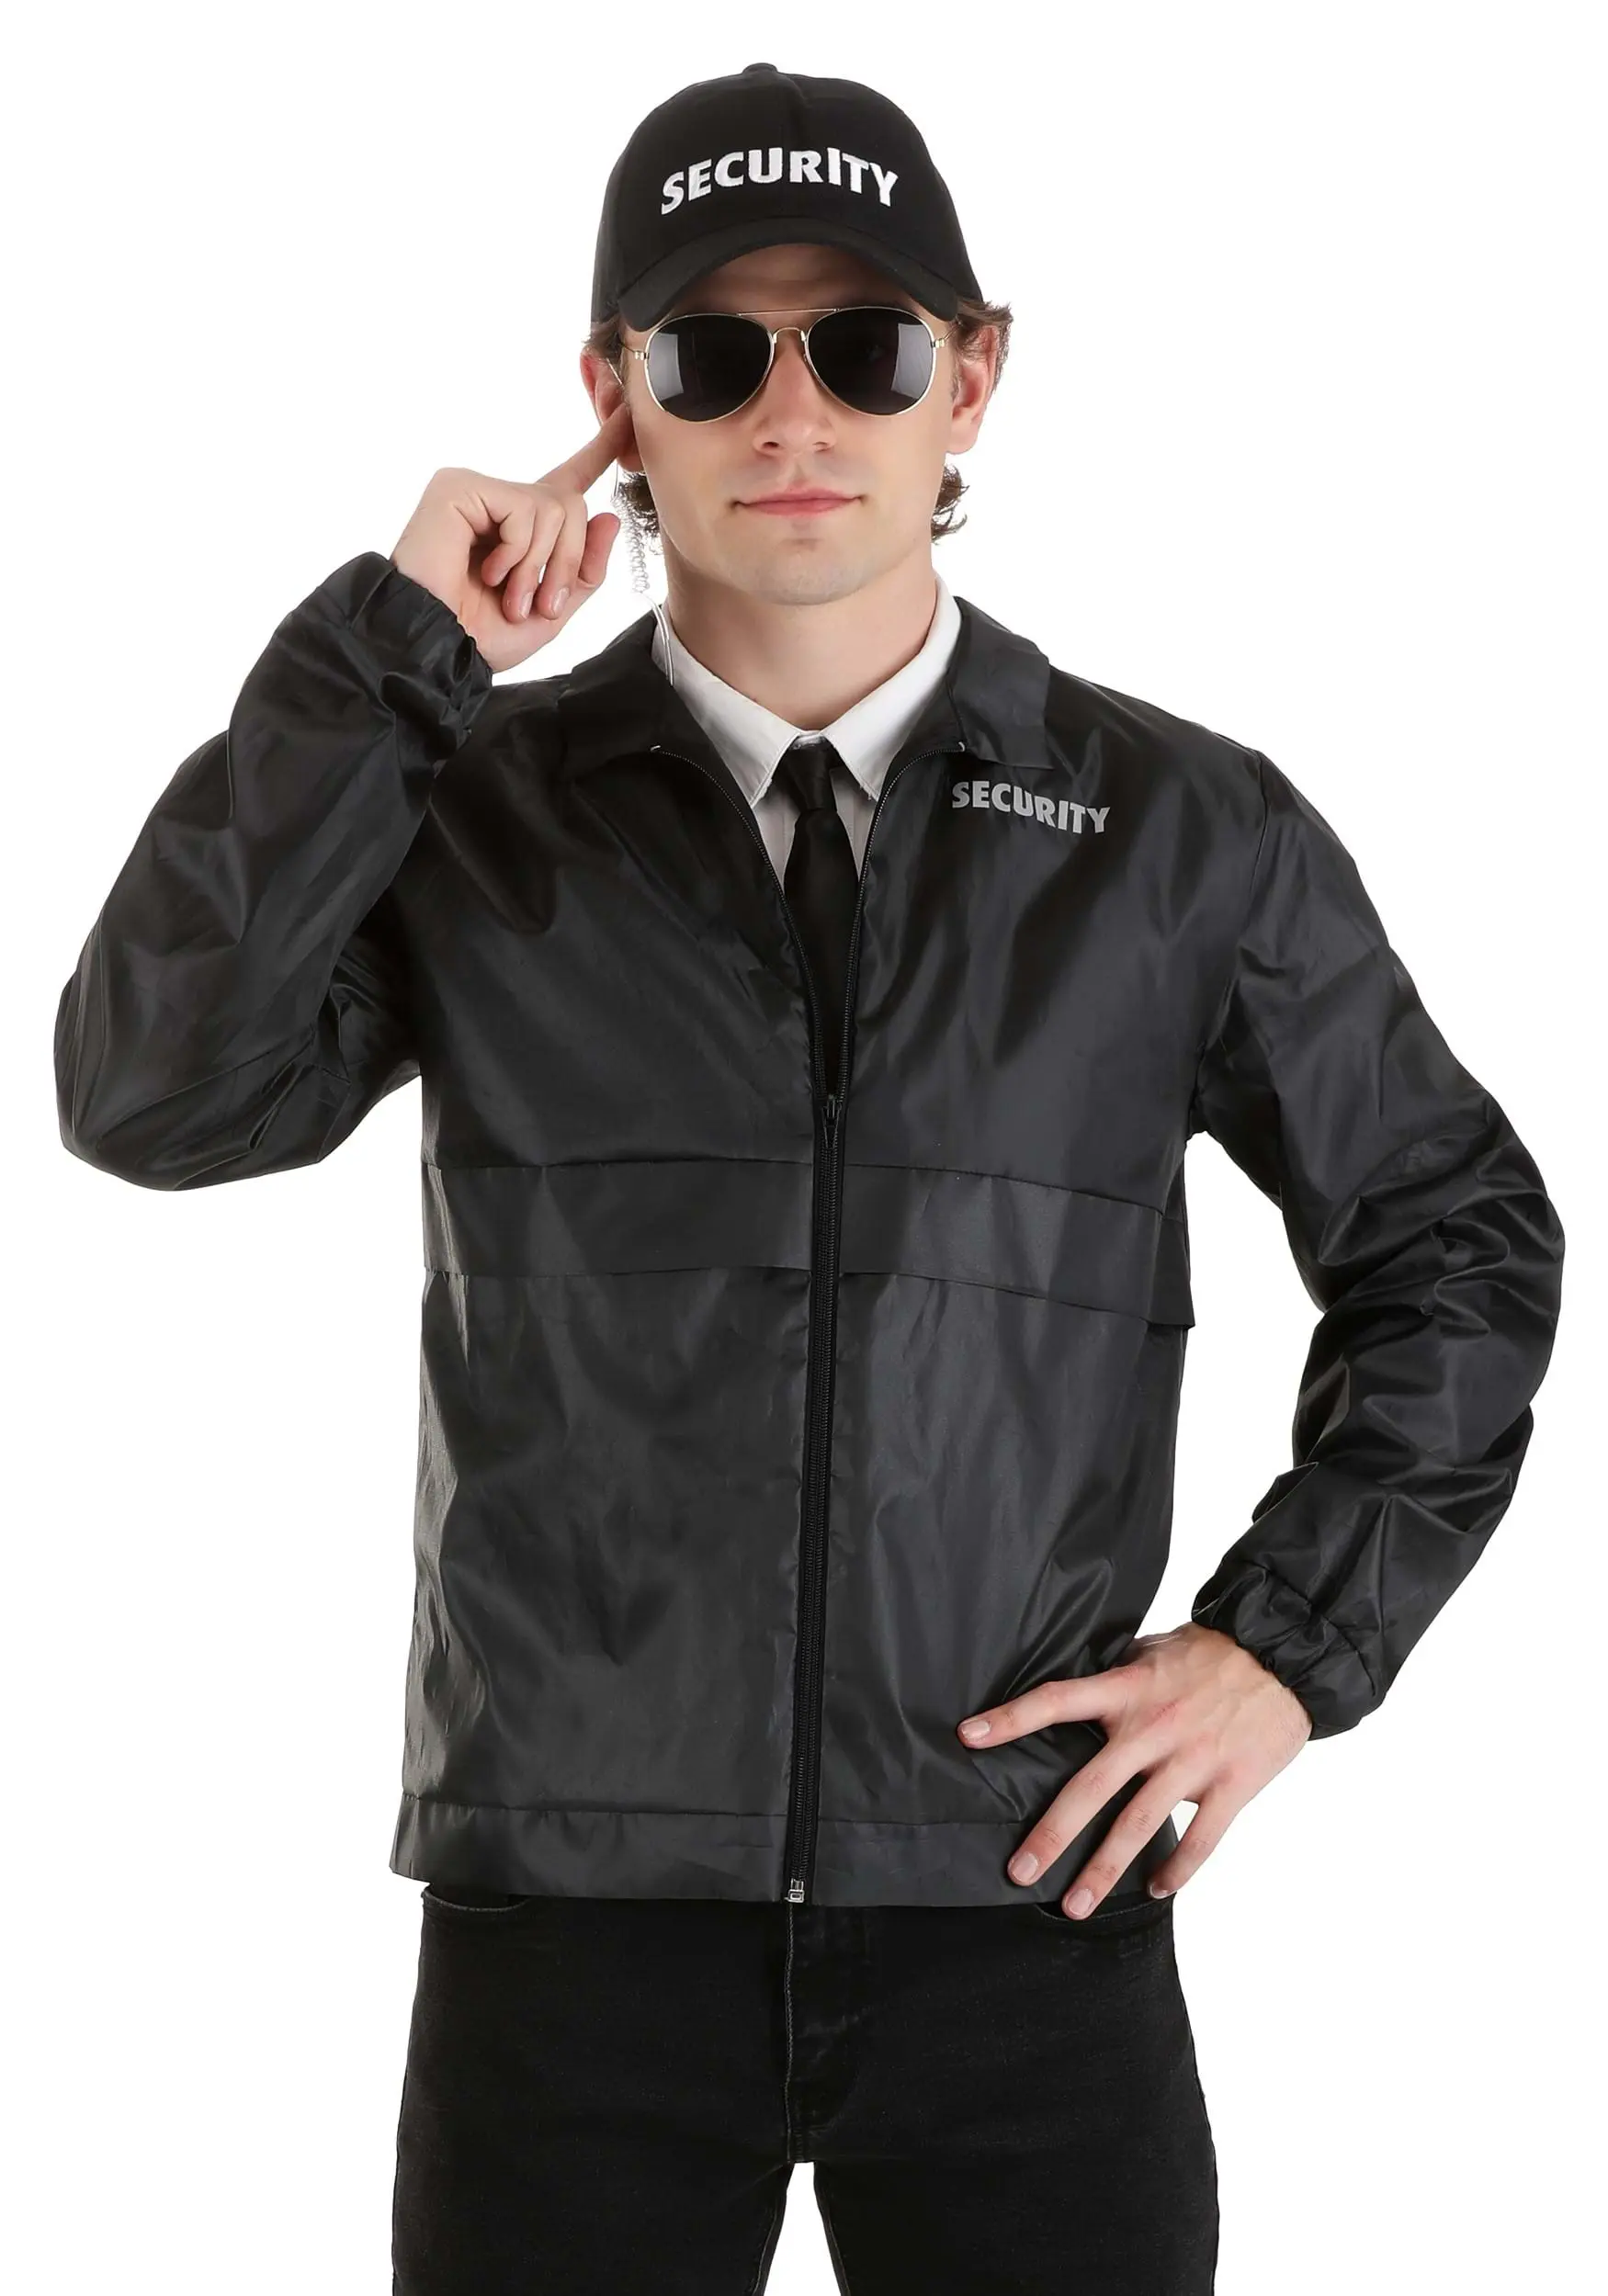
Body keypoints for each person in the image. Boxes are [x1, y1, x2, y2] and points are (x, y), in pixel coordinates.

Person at [53, 61, 1565, 2296]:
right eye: (709, 353)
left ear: (970, 379)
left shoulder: (1176, 835)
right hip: (569, 1937)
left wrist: (1281, 1646)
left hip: (1024, 1909)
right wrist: (390, 662)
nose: (791, 414)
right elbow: (152, 1093)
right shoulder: (469, 810)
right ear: (611, 399)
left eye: (861, 346)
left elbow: (1451, 1235)